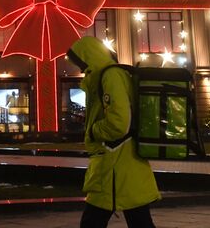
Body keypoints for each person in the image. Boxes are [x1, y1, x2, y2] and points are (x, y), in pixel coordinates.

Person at [66, 36, 161, 228]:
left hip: (114, 163)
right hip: (125, 163)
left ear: (88, 57)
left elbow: (119, 123)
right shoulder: (108, 75)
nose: (80, 69)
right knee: (139, 220)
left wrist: (93, 131)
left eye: (80, 63)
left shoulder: (110, 76)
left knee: (93, 221)